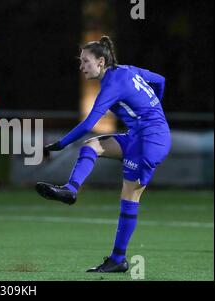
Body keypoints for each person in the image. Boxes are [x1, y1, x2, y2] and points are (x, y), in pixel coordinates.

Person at [36, 36, 171, 273]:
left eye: (85, 62)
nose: (81, 67)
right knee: (91, 147)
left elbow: (88, 123)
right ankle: (71, 189)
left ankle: (118, 259)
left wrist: (61, 144)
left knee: (129, 197)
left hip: (150, 141)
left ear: (100, 61)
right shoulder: (129, 70)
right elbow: (160, 81)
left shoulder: (111, 84)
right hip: (140, 135)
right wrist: (153, 109)